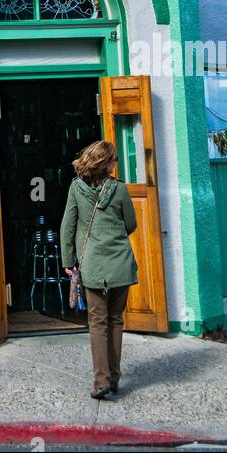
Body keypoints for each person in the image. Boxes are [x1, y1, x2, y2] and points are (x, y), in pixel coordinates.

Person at [60, 139, 137, 400]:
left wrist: (68, 260)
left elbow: (67, 226)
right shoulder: (120, 190)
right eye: (114, 159)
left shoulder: (76, 189)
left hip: (92, 264)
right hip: (120, 264)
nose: (116, 163)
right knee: (115, 320)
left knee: (97, 323)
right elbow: (131, 224)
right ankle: (114, 378)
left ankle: (100, 381)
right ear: (107, 163)